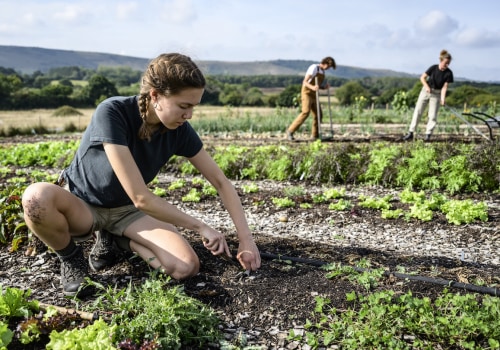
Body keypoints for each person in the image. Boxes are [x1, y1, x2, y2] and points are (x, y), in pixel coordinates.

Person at [21, 53, 261, 297]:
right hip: (84, 207)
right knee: (36, 198)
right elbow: (141, 197)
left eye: (193, 107)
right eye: (183, 106)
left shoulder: (179, 131)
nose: (189, 115)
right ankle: (72, 260)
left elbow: (221, 182)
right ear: (155, 95)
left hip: (127, 212)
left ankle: (116, 239)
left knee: (186, 266)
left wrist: (246, 240)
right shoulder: (113, 112)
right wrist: (201, 227)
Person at [402, 49, 454, 142]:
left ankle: (428, 135)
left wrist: (442, 99)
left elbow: (445, 87)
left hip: (436, 94)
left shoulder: (449, 73)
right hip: (425, 92)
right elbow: (422, 77)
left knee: (432, 115)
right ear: (441, 60)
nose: (447, 65)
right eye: (445, 63)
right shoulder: (433, 68)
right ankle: (411, 132)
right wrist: (426, 86)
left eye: (448, 63)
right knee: (418, 111)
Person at [286, 56, 336, 140]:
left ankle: (315, 135)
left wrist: (323, 87)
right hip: (307, 92)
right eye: (329, 66)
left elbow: (317, 85)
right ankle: (290, 131)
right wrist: (312, 87)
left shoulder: (323, 72)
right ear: (325, 63)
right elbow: (305, 82)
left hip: (314, 94)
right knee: (306, 112)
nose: (328, 68)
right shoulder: (314, 68)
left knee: (318, 114)